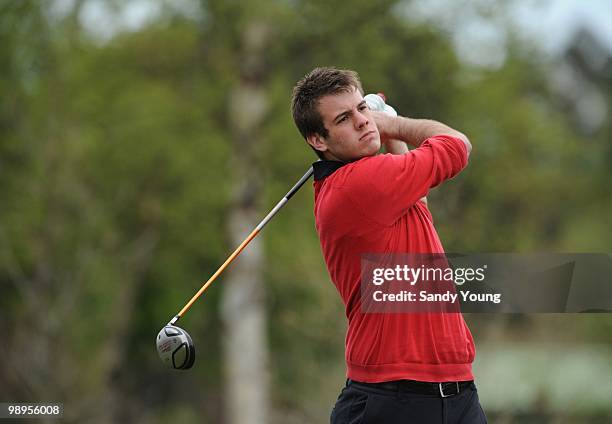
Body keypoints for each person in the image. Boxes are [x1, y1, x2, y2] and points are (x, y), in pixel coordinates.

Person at [291, 67, 487, 423]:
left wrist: (388, 133)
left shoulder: (378, 187)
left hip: (455, 392)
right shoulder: (357, 184)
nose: (363, 122)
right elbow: (457, 146)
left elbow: (419, 203)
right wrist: (392, 125)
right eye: (344, 118)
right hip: (395, 397)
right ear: (318, 140)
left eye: (362, 109)